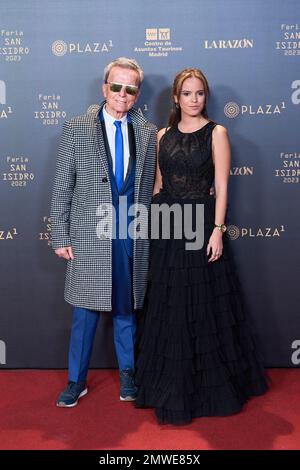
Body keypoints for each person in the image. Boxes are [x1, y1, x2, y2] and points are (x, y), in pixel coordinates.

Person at [134, 68, 268, 425]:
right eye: (187, 94)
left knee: (204, 307)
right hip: (167, 226)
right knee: (169, 304)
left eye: (199, 93)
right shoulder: (162, 134)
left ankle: (204, 387)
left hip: (201, 224)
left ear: (205, 97)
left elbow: (222, 187)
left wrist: (217, 230)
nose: (194, 100)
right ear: (175, 98)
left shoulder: (217, 133)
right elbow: (158, 185)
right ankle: (168, 383)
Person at [50, 57, 157, 407]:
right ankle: (75, 380)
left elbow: (152, 186)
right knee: (85, 310)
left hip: (131, 228)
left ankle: (128, 374)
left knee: (127, 307)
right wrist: (60, 235)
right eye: (116, 86)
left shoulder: (146, 131)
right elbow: (62, 186)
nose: (122, 94)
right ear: (104, 88)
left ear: (137, 94)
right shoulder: (77, 127)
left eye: (130, 88)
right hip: (88, 232)